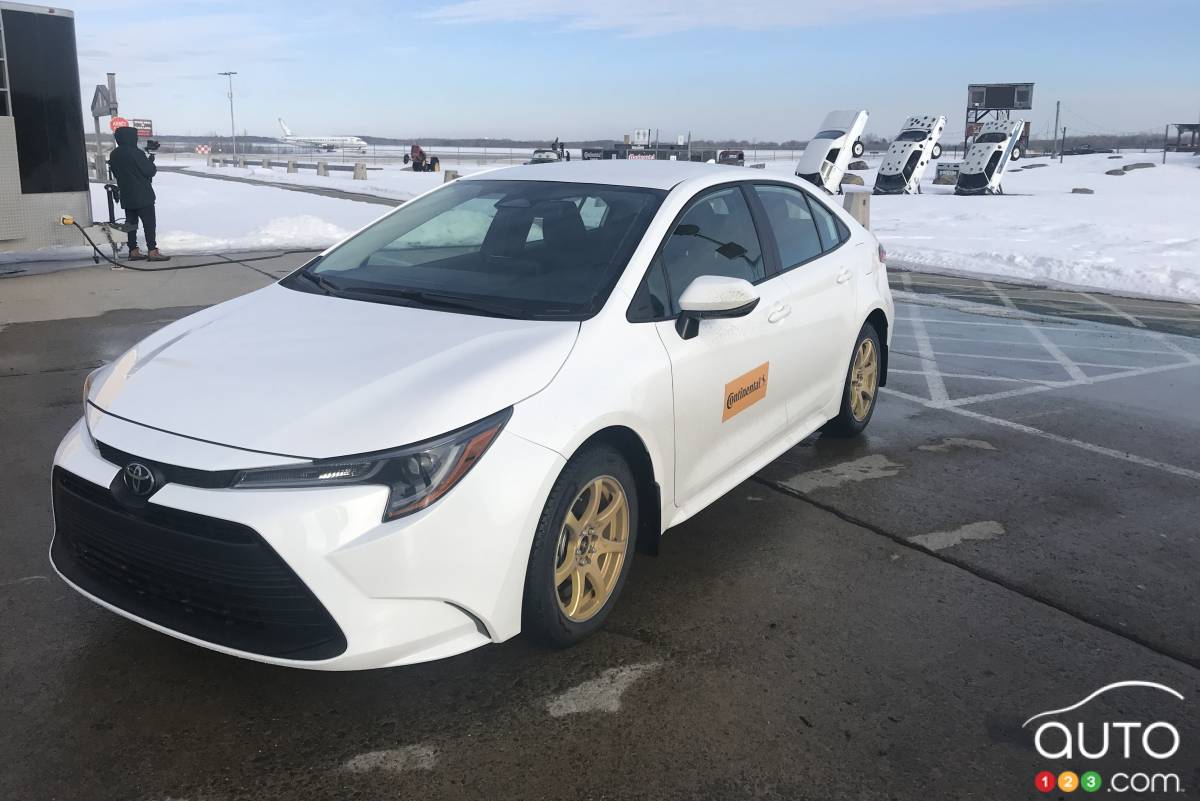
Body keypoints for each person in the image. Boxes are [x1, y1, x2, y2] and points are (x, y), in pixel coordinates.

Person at [107, 126, 168, 261]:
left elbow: (117, 173)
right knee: (149, 224)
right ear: (131, 137)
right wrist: (150, 159)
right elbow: (149, 171)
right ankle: (152, 251)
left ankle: (133, 250)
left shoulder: (114, 154)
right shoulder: (136, 153)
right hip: (143, 195)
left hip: (127, 195)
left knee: (131, 224)